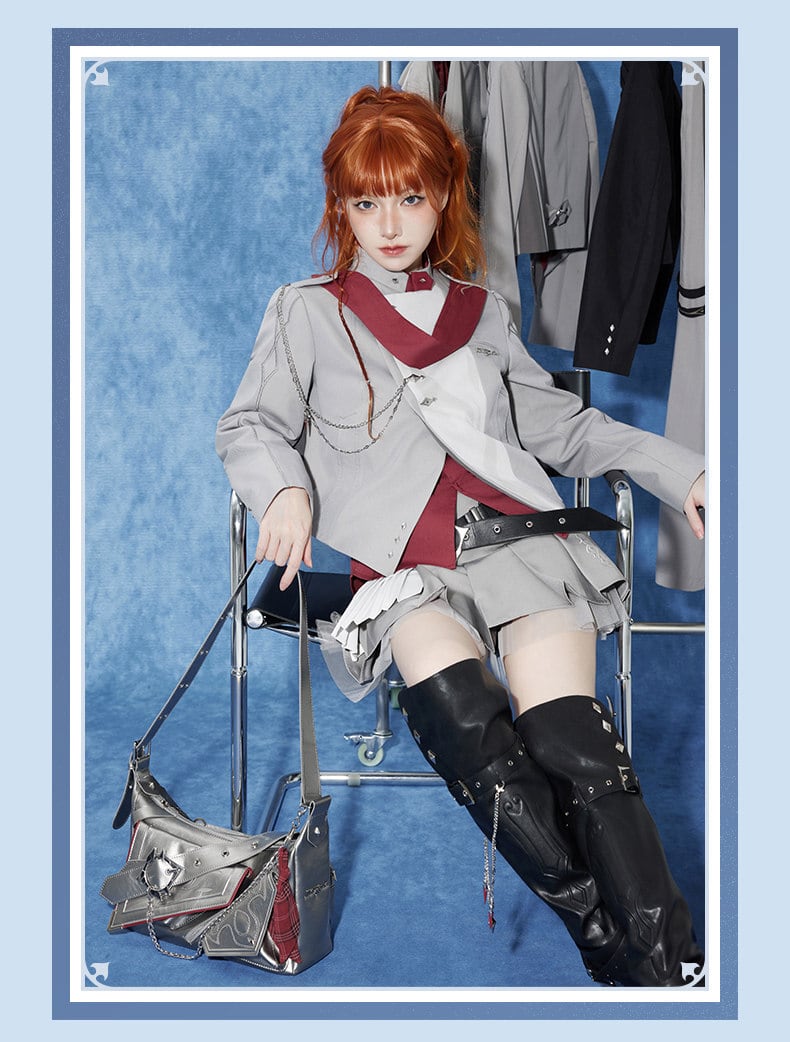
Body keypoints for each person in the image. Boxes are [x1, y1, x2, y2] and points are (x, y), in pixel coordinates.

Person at [216, 85, 706, 987]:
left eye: (410, 197)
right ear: (341, 207)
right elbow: (250, 425)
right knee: (469, 726)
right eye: (367, 201)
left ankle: (666, 959)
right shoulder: (306, 311)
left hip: (521, 544)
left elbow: (562, 429)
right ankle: (601, 929)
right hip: (407, 571)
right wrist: (283, 487)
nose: (389, 223)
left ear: (442, 197)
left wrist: (683, 472)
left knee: (576, 749)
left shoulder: (481, 313)